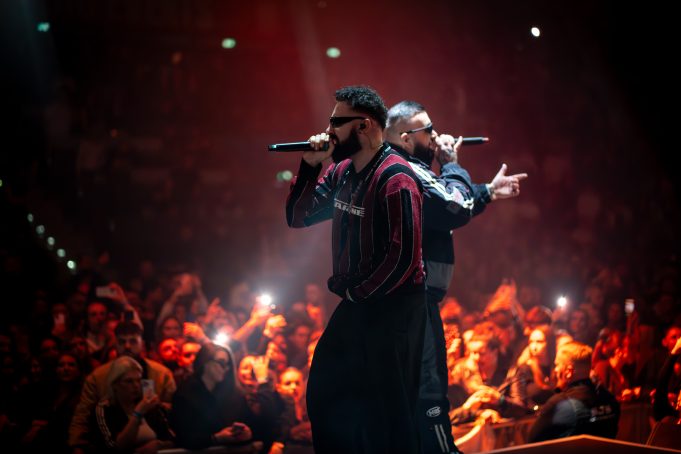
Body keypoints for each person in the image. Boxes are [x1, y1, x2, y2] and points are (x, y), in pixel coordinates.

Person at [286, 86, 427, 453]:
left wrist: (355, 293)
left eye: (336, 122)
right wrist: (309, 166)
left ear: (363, 125)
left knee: (388, 415)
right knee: (326, 392)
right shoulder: (343, 171)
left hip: (393, 310)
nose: (328, 131)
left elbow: (403, 257)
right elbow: (298, 217)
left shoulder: (396, 179)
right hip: (359, 303)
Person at [384, 101, 527, 452]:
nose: (436, 135)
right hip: (414, 303)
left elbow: (444, 201)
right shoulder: (405, 171)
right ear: (405, 138)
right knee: (429, 391)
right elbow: (454, 207)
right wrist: (451, 162)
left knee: (413, 394)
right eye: (428, 130)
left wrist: (487, 192)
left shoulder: (407, 170)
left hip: (411, 301)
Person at [68, 321, 176, 452]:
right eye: (122, 342)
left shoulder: (161, 374)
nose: (127, 346)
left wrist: (162, 408)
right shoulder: (97, 377)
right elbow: (82, 415)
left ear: (142, 343)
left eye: (133, 341)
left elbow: (174, 412)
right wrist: (77, 445)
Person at [527, 342, 620, 442]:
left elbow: (533, 440)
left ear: (568, 372)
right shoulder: (609, 399)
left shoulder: (559, 404)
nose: (556, 370)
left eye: (557, 365)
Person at [171, 343, 253, 449]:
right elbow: (185, 438)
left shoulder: (231, 393)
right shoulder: (186, 394)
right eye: (221, 363)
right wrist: (216, 438)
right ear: (205, 362)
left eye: (228, 364)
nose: (226, 369)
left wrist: (246, 433)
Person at [90, 356, 174, 453]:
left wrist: (160, 445)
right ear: (115, 384)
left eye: (138, 380)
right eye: (129, 381)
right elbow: (113, 447)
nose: (136, 385)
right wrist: (138, 413)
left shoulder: (147, 404)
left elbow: (171, 439)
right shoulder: (104, 408)